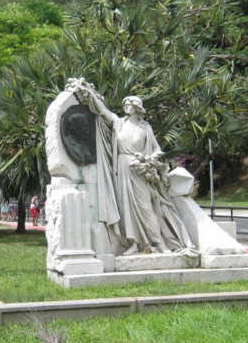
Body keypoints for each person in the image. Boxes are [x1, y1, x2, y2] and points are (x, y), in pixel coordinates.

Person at [73, 80, 192, 255]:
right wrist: (89, 92)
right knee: (126, 209)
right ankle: (135, 244)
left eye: (130, 104)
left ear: (137, 108)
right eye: (126, 105)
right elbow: (104, 112)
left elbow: (157, 150)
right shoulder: (119, 123)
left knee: (145, 207)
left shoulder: (145, 127)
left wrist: (147, 159)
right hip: (121, 170)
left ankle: (160, 243)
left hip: (139, 171)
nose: (126, 107)